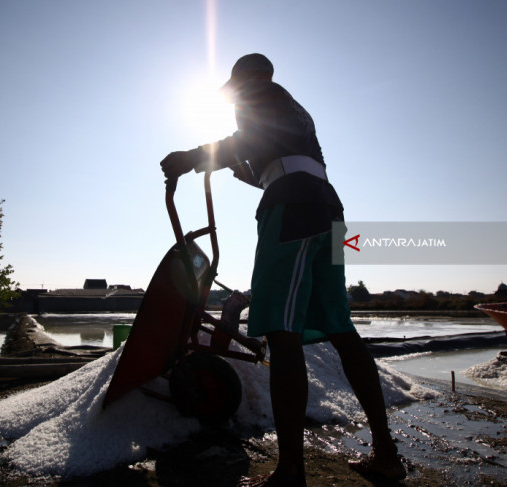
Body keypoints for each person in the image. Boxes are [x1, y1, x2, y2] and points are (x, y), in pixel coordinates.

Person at [160, 54, 406, 485]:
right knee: (341, 329)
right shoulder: (297, 111)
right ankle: (386, 452)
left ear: (244, 80)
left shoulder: (259, 93)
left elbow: (246, 142)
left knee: (281, 332)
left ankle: (291, 470)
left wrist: (192, 156)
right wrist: (237, 170)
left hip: (291, 209)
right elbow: (275, 159)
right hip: (326, 207)